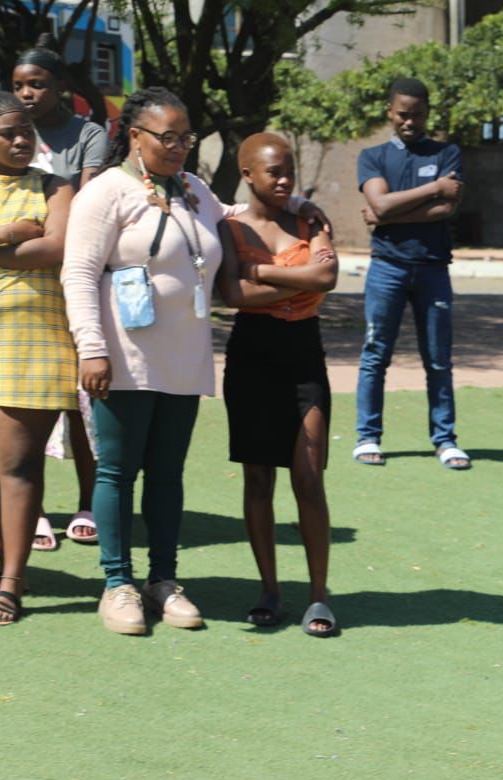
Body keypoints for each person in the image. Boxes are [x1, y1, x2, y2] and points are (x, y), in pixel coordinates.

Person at [61, 87, 327, 635]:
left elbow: (237, 214)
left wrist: (298, 205)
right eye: (168, 137)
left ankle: (163, 582)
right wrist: (91, 347)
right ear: (134, 136)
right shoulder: (106, 192)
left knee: (167, 473)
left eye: (186, 137)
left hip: (183, 358)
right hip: (124, 357)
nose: (180, 146)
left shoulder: (192, 189)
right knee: (117, 470)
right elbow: (79, 273)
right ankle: (117, 586)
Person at [215, 132, 339, 637]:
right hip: (252, 357)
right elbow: (232, 293)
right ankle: (269, 588)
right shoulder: (230, 227)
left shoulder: (310, 219)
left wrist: (262, 270)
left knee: (309, 478)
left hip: (304, 354)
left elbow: (327, 280)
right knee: (259, 480)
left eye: (289, 169)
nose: (285, 178)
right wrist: (299, 275)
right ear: (248, 175)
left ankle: (319, 596)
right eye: (274, 172)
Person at [12, 37, 108, 551]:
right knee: (25, 402)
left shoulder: (87, 134)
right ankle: (36, 512)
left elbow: (86, 206)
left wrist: (43, 231)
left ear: (61, 88)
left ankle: (89, 501)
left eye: (38, 84)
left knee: (80, 398)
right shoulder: (8, 134)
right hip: (19, 281)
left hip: (74, 273)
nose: (28, 94)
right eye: (19, 86)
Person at [353, 78, 467, 470]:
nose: (410, 121)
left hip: (433, 269)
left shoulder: (448, 152)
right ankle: (368, 436)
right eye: (403, 114)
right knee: (375, 356)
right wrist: (433, 188)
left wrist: (387, 214)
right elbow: (380, 204)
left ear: (427, 113)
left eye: (417, 114)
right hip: (387, 268)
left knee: (438, 360)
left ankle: (445, 439)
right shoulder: (373, 157)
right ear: (390, 111)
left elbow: (447, 209)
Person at [0, 94, 75, 625]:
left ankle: (11, 580)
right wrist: (11, 233)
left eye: (26, 131)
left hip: (35, 340)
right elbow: (34, 242)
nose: (22, 140)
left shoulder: (55, 186)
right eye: (9, 132)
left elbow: (58, 247)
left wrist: (36, 238)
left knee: (18, 465)